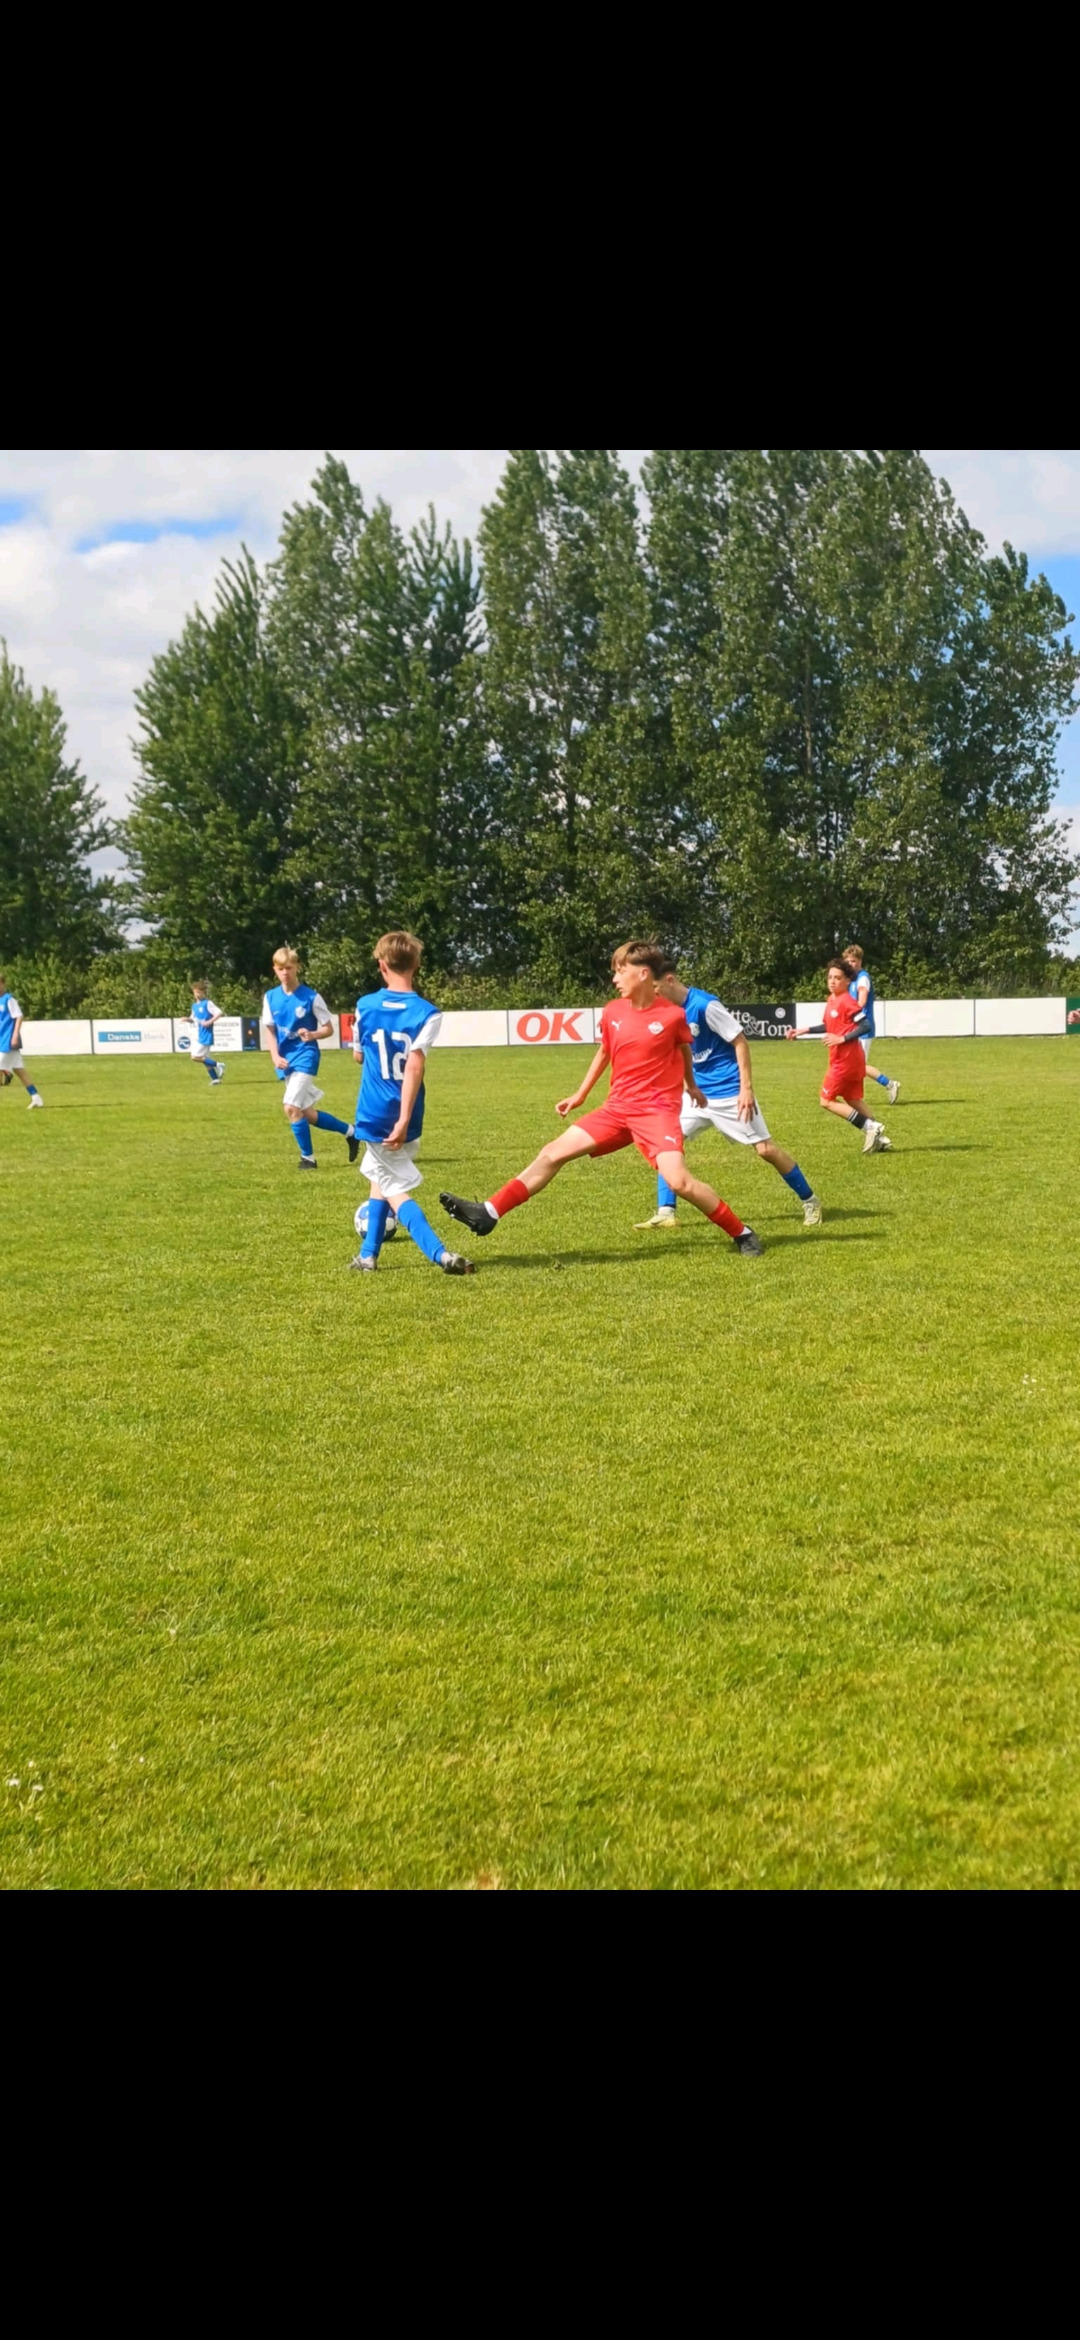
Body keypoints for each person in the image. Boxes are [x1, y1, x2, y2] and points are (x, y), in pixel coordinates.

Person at [440, 940, 764, 1255]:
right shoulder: (613, 1011)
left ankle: (742, 1233)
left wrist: (691, 1086)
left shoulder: (672, 1016)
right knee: (552, 1153)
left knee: (679, 1181)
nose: (614, 978)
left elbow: (682, 1051)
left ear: (643, 974)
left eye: (620, 971)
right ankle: (489, 1212)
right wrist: (580, 1094)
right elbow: (605, 1051)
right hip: (617, 1109)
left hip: (657, 1112)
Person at [634, 954, 822, 1229]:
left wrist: (746, 1089)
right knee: (667, 1145)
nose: (653, 996)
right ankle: (666, 1211)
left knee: (765, 1150)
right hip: (698, 1095)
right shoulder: (668, 1011)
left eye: (656, 989)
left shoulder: (705, 1005)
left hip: (730, 1092)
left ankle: (811, 1201)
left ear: (670, 980)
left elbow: (740, 1041)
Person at [347, 930, 474, 1275]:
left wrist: (396, 1122)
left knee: (393, 1189)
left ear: (381, 964)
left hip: (374, 1113)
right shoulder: (428, 1013)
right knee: (380, 1178)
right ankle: (368, 1256)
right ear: (416, 965)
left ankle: (440, 1255)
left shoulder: (364, 1006)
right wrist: (404, 1118)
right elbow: (415, 1064)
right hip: (410, 1110)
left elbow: (358, 1056)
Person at [261, 946, 359, 1169]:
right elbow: (270, 1030)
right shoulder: (270, 997)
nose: (285, 972)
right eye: (280, 969)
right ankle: (351, 1132)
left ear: (297, 968)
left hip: (306, 1055)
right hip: (285, 1059)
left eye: (289, 968)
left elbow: (328, 1029)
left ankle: (308, 1159)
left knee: (290, 1107)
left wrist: (312, 1034)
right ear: (274, 970)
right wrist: (274, 1055)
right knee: (306, 1113)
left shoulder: (311, 997)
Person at [786, 961, 892, 1151]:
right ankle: (880, 1138)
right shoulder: (832, 1000)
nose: (833, 981)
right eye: (830, 977)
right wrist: (805, 1030)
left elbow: (866, 1025)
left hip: (846, 1060)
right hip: (848, 1059)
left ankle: (871, 1127)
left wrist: (842, 1039)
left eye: (838, 978)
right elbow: (830, 1026)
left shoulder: (847, 1001)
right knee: (853, 1100)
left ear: (847, 981)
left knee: (826, 1101)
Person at [844, 946, 899, 1103]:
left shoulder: (863, 978)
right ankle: (886, 1085)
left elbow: (861, 1000)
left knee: (858, 1065)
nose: (850, 964)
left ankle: (889, 1084)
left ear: (860, 961)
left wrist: (848, 1012)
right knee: (854, 1064)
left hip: (863, 1028)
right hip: (855, 1028)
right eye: (847, 962)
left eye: (853, 961)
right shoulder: (852, 979)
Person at [0, 981, 43, 1108]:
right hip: (2, 1039)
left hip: (8, 1040)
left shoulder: (9, 999)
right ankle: (36, 1098)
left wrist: (14, 1035)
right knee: (20, 1071)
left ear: (3, 984)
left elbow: (19, 1016)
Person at [186, 983, 225, 1084]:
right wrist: (187, 1019)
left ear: (203, 992)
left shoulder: (207, 1003)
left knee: (195, 1056)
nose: (197, 994)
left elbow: (219, 1012)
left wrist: (209, 1022)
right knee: (205, 1059)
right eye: (195, 992)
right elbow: (193, 1019)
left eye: (199, 992)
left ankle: (218, 1064)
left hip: (205, 1034)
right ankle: (215, 1079)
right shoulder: (194, 1006)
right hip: (198, 1034)